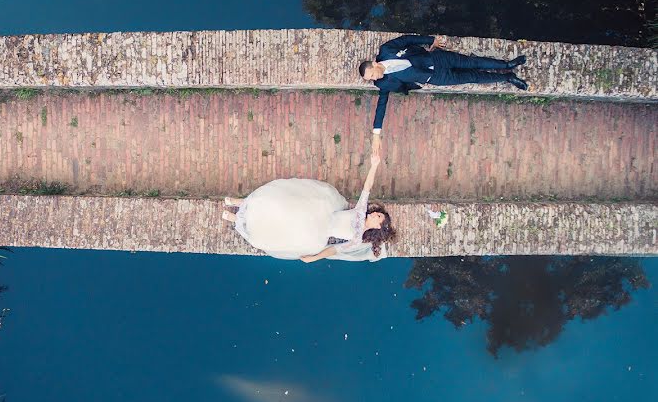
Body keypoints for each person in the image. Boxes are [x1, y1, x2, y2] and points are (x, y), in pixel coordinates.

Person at [359, 34, 528, 156]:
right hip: (436, 77)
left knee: (472, 62)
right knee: (472, 77)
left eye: (372, 74)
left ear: (374, 64)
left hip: (436, 59)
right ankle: (508, 78)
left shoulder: (386, 50)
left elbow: (406, 40)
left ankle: (508, 64)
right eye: (371, 79)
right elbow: (382, 105)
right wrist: (376, 135)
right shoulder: (383, 83)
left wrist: (430, 40)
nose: (375, 78)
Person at [222, 153, 394, 262]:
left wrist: (314, 258)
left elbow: (334, 250)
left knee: (280, 225)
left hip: (315, 232)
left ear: (377, 227)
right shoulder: (360, 211)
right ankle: (239, 203)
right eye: (378, 213)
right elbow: (367, 187)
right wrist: (374, 165)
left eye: (379, 217)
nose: (376, 213)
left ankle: (235, 218)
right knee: (279, 202)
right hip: (319, 211)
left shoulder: (357, 239)